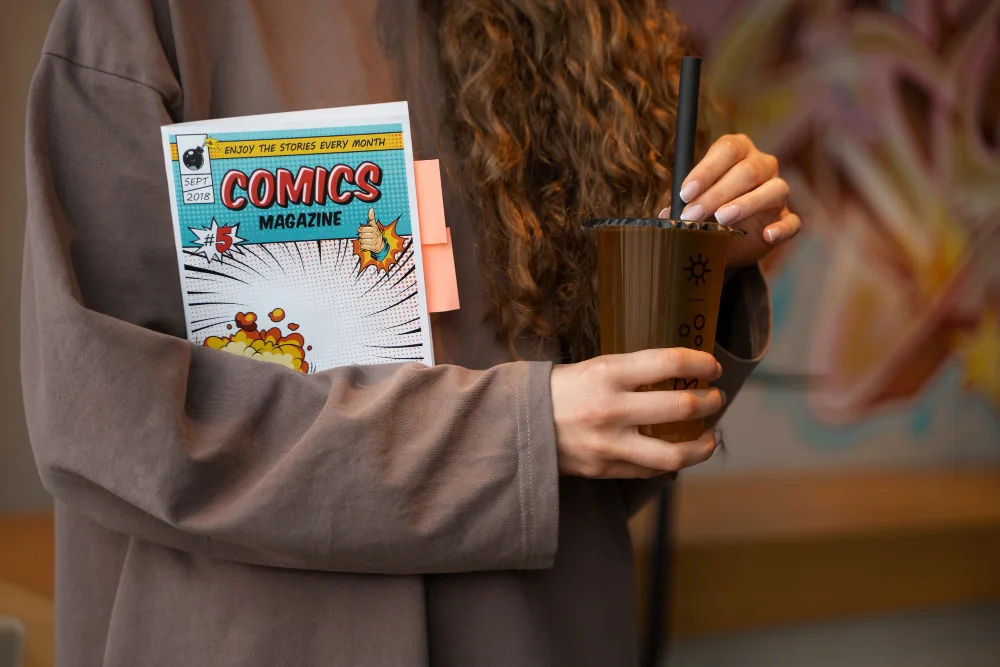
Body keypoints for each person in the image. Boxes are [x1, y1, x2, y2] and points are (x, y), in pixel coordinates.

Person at [22, 1, 798, 666]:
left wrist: (704, 270)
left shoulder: (589, 28)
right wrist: (524, 434)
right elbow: (112, 418)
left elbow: (623, 445)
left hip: (541, 634)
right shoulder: (154, 16)